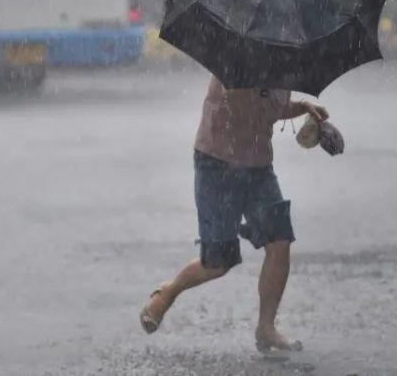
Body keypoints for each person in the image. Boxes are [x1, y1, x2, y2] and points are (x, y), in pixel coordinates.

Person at [139, 76, 328, 353]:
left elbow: (274, 109)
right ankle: (169, 292)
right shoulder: (235, 61)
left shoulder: (281, 62)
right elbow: (241, 108)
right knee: (217, 262)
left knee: (279, 242)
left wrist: (303, 107)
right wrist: (264, 87)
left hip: (258, 167)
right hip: (216, 163)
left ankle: (266, 328)